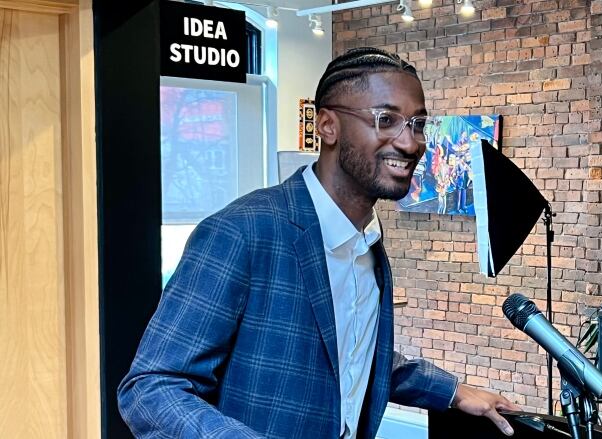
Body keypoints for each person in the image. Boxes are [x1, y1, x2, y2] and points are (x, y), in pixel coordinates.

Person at [118, 47, 518, 439]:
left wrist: (451, 391)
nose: (411, 143)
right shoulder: (243, 232)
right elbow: (152, 387)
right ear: (327, 126)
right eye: (385, 119)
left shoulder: (368, 244)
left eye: (416, 124)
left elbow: (351, 354)